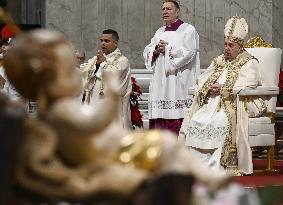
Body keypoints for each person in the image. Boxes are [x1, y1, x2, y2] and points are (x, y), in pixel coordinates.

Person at [179, 16, 265, 175]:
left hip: (235, 102)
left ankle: (220, 165)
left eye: (231, 45)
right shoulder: (219, 60)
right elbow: (203, 78)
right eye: (225, 44)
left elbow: (250, 82)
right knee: (197, 120)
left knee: (220, 121)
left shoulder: (249, 62)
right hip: (212, 101)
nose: (226, 48)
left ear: (240, 47)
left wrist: (224, 88)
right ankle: (196, 165)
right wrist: (209, 87)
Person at [143, 0, 200, 135]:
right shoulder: (159, 32)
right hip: (160, 81)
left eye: (168, 9)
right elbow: (148, 50)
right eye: (163, 9)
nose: (165, 12)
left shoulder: (188, 29)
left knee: (177, 112)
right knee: (160, 113)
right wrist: (156, 50)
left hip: (178, 80)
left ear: (177, 12)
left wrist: (167, 49)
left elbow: (189, 52)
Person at [81, 29, 132, 128]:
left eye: (106, 41)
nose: (103, 43)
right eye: (101, 41)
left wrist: (103, 64)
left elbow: (115, 78)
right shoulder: (96, 59)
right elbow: (84, 72)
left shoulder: (122, 61)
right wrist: (96, 65)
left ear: (116, 43)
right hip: (94, 101)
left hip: (111, 105)